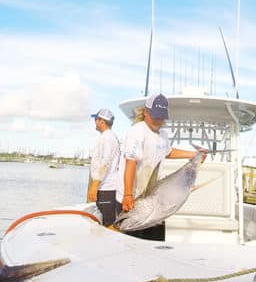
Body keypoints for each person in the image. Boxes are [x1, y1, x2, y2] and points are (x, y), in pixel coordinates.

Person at [121, 93, 204, 241]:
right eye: (154, 116)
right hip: (134, 201)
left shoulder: (162, 135)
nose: (158, 120)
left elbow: (168, 151)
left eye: (161, 117)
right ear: (145, 112)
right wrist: (127, 194)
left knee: (156, 246)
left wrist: (194, 155)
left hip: (153, 198)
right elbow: (131, 162)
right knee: (130, 245)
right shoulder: (137, 131)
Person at [87, 108, 122, 228]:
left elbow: (105, 163)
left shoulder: (107, 138)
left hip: (107, 189)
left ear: (102, 121)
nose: (95, 122)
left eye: (96, 119)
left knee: (109, 225)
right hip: (106, 188)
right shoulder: (109, 137)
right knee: (105, 223)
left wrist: (94, 186)